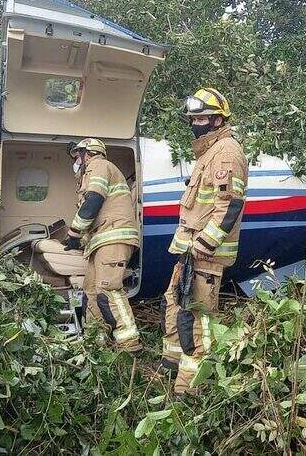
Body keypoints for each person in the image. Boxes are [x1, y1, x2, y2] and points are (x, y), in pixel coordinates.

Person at [161, 87, 248, 394]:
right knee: (174, 302)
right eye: (192, 118)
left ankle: (193, 386)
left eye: (199, 118)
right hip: (189, 249)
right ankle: (172, 363)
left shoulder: (226, 152)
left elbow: (230, 206)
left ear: (216, 120)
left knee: (196, 317)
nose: (193, 123)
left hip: (203, 253)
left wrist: (202, 246)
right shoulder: (208, 152)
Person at [63, 138, 141, 352]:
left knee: (108, 289)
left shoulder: (98, 165)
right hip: (101, 240)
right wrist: (80, 238)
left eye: (77, 155)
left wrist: (74, 232)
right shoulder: (91, 173)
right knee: (91, 290)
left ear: (88, 153)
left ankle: (129, 343)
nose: (76, 161)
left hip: (113, 236)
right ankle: (97, 340)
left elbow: (93, 201)